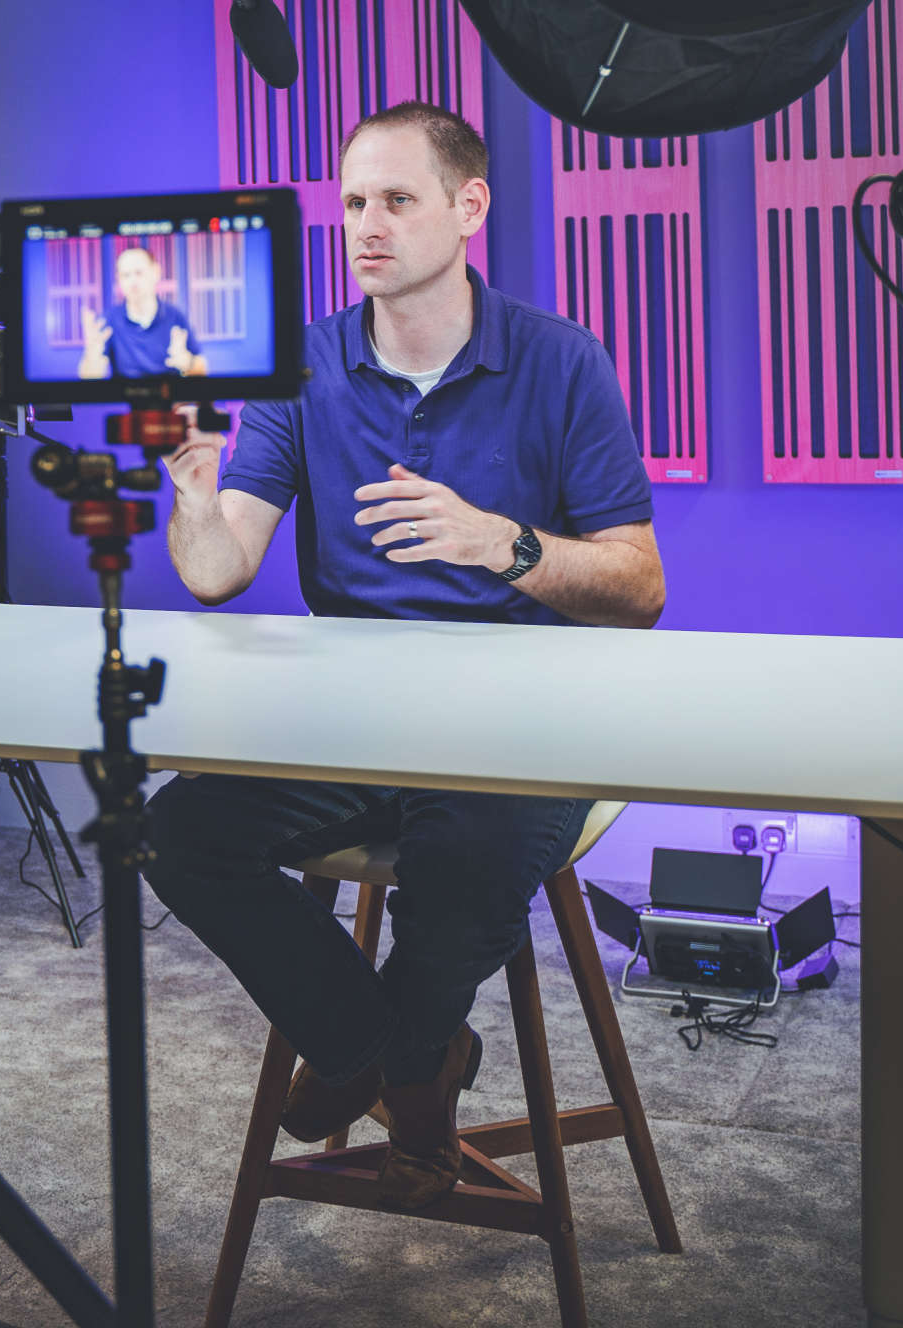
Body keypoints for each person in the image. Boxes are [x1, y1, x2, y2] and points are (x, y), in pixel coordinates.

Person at [149, 101, 663, 1209]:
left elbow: (639, 586)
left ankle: (378, 1060)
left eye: (396, 198)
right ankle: (392, 1051)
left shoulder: (563, 362)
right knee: (181, 829)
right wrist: (193, 499)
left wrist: (504, 543)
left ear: (468, 207)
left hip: (521, 711)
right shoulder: (304, 368)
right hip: (351, 709)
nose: (366, 225)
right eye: (352, 202)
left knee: (460, 867)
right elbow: (218, 567)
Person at [78, 244, 208, 379]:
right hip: (127, 399)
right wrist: (92, 357)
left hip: (169, 398)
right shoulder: (108, 320)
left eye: (139, 273)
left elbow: (202, 372)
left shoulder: (175, 316)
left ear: (156, 272)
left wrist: (187, 362)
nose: (132, 281)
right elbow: (88, 380)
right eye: (126, 275)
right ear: (119, 280)